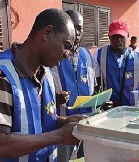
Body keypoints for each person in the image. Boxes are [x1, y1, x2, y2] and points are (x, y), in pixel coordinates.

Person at [0, 8, 86, 162]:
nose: (67, 54)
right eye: (66, 45)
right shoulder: (0, 76)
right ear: (47, 33)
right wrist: (59, 135)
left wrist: (64, 122)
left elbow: (36, 119)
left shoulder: (46, 72)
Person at [51, 10, 94, 162]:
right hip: (61, 123)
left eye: (79, 28)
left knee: (86, 157)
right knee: (63, 158)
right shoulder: (52, 55)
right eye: (72, 27)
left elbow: (91, 85)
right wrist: (55, 98)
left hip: (86, 121)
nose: (76, 33)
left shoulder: (88, 55)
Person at [93, 20, 139, 108]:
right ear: (109, 37)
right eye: (115, 36)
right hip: (110, 107)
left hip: (134, 107)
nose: (118, 39)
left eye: (121, 36)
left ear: (127, 36)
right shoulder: (100, 54)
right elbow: (96, 82)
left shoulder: (138, 55)